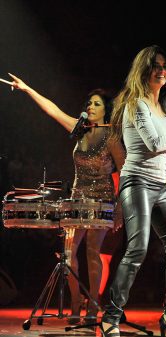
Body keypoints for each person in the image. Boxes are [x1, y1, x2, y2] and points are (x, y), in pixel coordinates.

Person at [9, 74, 126, 325]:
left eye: (96, 104)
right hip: (77, 198)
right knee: (68, 252)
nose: (90, 107)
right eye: (89, 103)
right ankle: (76, 301)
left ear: (106, 110)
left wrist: (120, 208)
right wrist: (28, 88)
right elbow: (52, 110)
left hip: (102, 199)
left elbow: (124, 172)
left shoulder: (112, 137)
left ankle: (93, 307)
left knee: (93, 253)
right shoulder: (79, 129)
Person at [100, 45, 166, 337]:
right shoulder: (136, 104)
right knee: (138, 248)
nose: (161, 71)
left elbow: (159, 154)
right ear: (143, 71)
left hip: (158, 184)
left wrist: (165, 175)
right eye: (155, 66)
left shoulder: (164, 109)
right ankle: (111, 317)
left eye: (164, 66)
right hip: (136, 182)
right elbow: (155, 144)